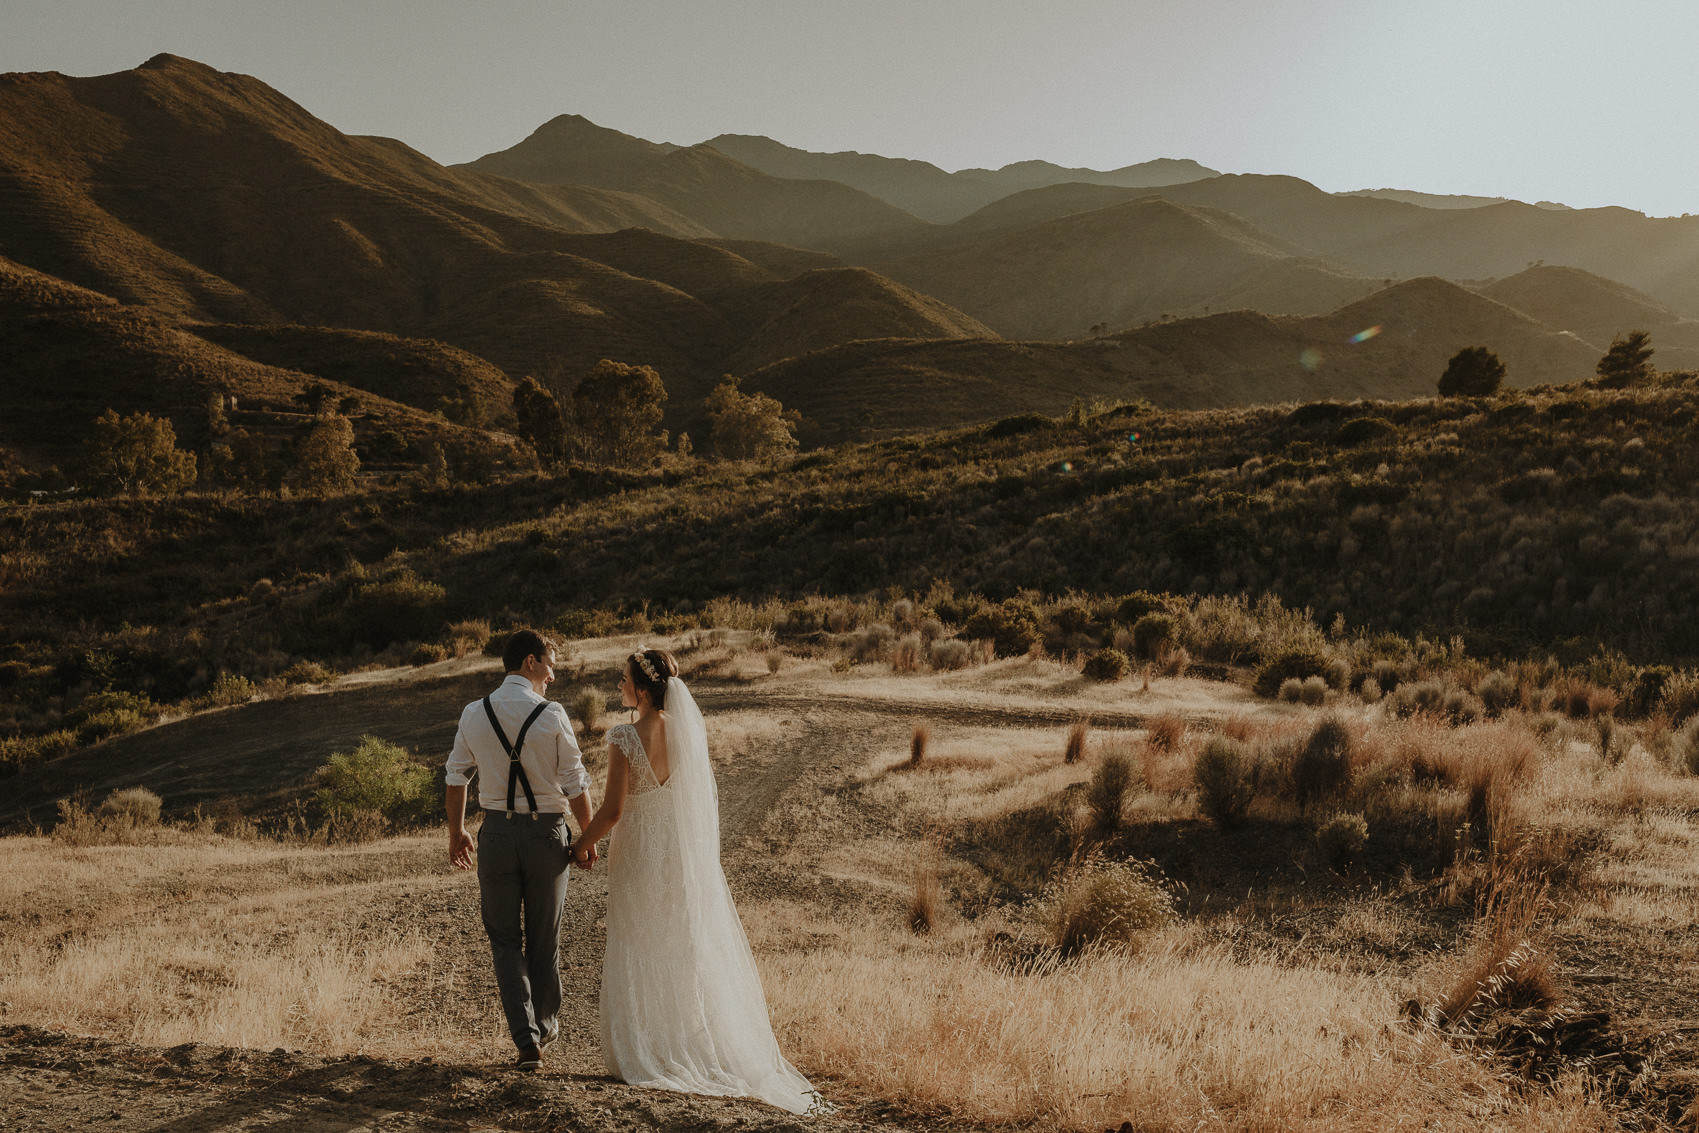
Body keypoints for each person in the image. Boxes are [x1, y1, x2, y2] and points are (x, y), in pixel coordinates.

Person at [573, 648, 822, 1114]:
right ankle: (682, 1038)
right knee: (679, 942)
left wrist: (579, 845)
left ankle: (648, 1046)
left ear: (643, 690)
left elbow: (612, 811)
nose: (620, 687)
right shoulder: (687, 731)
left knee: (637, 939)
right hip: (678, 852)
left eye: (624, 680)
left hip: (639, 852)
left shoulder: (625, 736)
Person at [445, 629, 596, 1072]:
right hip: (547, 836)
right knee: (544, 938)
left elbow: (457, 776)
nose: (552, 675)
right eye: (550, 664)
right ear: (530, 662)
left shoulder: (474, 713)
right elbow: (575, 783)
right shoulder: (552, 714)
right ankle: (544, 1025)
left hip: (494, 835)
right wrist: (585, 839)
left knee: (505, 940)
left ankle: (526, 1040)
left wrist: (457, 833)